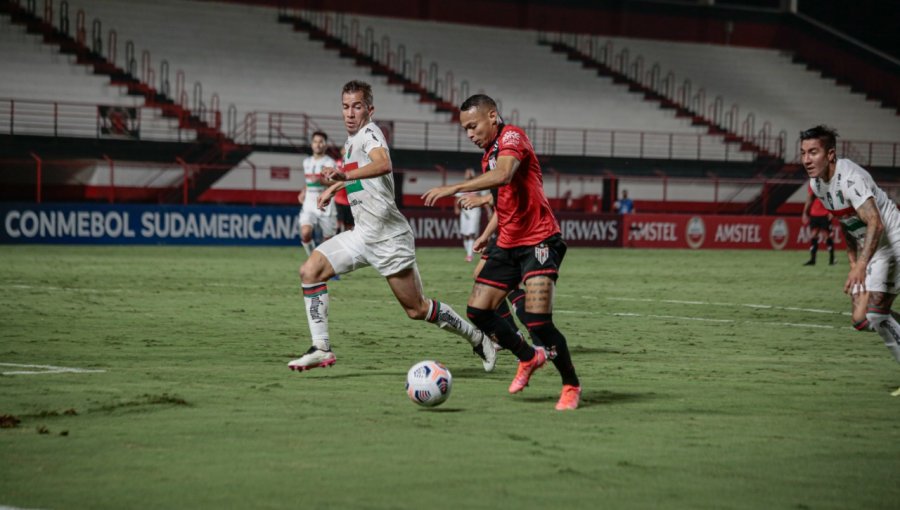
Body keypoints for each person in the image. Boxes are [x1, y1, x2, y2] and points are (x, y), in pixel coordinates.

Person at [288, 80, 496, 373]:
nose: (349, 113)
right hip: (362, 234)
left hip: (389, 237)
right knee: (310, 271)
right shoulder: (351, 142)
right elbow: (358, 175)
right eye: (345, 106)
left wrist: (341, 178)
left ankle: (477, 338)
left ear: (369, 110)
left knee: (417, 309)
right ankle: (321, 348)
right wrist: (333, 187)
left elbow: (383, 164)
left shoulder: (371, 133)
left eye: (357, 106)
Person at [422, 94, 582, 410]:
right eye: (465, 129)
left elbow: (505, 175)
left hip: (539, 241)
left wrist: (454, 187)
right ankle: (528, 357)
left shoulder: (512, 137)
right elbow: (503, 199)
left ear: (492, 116)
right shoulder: (488, 155)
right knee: (478, 311)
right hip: (507, 244)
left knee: (538, 321)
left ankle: (570, 385)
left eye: (473, 125)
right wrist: (487, 233)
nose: (469, 134)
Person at [802, 125, 900, 383]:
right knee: (861, 319)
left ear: (830, 154)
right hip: (871, 247)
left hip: (892, 241)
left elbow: (875, 223)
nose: (806, 159)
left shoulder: (850, 179)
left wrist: (860, 266)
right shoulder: (818, 185)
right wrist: (853, 262)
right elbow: (846, 222)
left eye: (813, 152)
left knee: (877, 314)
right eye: (803, 153)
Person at [298, 131, 339, 257]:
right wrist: (303, 191)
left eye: (321, 142)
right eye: (315, 142)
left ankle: (331, 267)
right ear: (311, 144)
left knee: (328, 240)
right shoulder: (306, 162)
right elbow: (308, 181)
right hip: (309, 204)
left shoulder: (330, 163)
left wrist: (321, 180)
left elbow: (336, 183)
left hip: (325, 204)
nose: (318, 144)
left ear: (325, 145)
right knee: (305, 233)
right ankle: (313, 261)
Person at [454, 168, 489, 262]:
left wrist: (488, 210)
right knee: (465, 233)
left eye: (469, 173)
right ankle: (468, 252)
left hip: (475, 210)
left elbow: (484, 198)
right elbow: (457, 198)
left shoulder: (478, 185)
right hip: (464, 212)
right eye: (467, 172)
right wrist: (457, 208)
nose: (468, 174)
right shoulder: (462, 185)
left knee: (472, 233)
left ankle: (469, 255)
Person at [800, 184, 835, 266]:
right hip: (814, 213)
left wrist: (832, 211)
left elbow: (832, 196)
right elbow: (809, 198)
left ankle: (831, 259)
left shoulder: (827, 182)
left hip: (825, 214)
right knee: (814, 235)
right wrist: (805, 212)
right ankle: (813, 260)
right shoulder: (812, 184)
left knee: (826, 236)